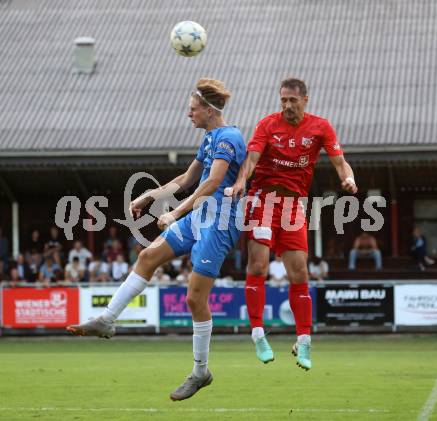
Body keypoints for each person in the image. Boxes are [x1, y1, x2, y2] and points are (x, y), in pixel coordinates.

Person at [67, 78, 246, 401]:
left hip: (219, 221)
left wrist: (175, 213)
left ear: (208, 110)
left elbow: (213, 183)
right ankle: (107, 320)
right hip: (199, 217)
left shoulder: (229, 138)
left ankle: (200, 371)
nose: (188, 114)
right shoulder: (209, 139)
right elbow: (188, 178)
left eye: (192, 110)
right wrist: (150, 195)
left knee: (194, 299)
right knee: (147, 257)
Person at [230, 77, 357, 370]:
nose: (286, 105)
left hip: (293, 207)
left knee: (300, 273)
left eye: (292, 100)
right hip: (262, 200)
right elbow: (251, 160)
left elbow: (340, 162)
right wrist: (240, 182)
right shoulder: (267, 125)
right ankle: (258, 333)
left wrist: (347, 178)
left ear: (305, 100)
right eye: (283, 99)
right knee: (258, 265)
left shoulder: (321, 127)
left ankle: (304, 340)